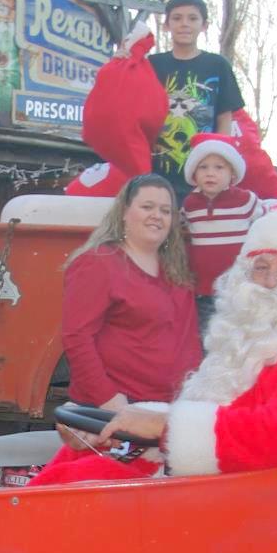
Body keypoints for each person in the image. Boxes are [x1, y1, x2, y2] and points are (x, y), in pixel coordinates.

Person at [33, 203, 277, 485]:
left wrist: (162, 427)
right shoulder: (253, 336)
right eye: (259, 268)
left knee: (69, 491)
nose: (271, 281)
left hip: (264, 498)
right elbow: (220, 412)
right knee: (75, 459)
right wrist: (121, 428)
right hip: (221, 481)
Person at [58, 173, 201, 411]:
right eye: (147, 207)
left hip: (170, 409)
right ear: (124, 212)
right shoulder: (98, 263)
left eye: (166, 211)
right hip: (117, 410)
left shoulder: (176, 270)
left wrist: (192, 398)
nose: (157, 215)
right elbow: (77, 337)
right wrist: (109, 400)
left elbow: (189, 342)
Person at [148, 0, 242, 189]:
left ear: (204, 25)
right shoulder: (151, 65)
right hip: (156, 171)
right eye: (177, 18)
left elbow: (225, 118)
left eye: (192, 18)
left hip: (203, 175)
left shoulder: (218, 65)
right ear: (166, 25)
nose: (184, 24)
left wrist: (219, 164)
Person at [177, 132, 265, 315]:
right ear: (193, 173)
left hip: (239, 284)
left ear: (232, 173)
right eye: (203, 167)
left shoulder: (245, 200)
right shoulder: (190, 204)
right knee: (205, 332)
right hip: (203, 288)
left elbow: (267, 223)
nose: (210, 173)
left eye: (219, 167)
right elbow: (180, 231)